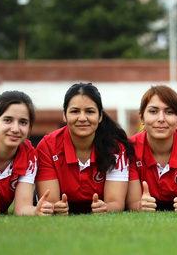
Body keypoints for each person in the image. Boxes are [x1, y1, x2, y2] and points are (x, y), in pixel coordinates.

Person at [35, 83, 133, 214]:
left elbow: (115, 203)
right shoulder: (47, 146)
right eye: (75, 111)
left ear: (100, 116)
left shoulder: (115, 147)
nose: (82, 118)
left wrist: (105, 208)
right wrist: (56, 207)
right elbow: (51, 202)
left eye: (90, 111)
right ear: (64, 115)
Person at [126, 85, 177, 211]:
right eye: (153, 111)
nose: (161, 119)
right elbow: (133, 202)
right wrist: (139, 206)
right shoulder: (129, 148)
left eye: (169, 112)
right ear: (142, 117)